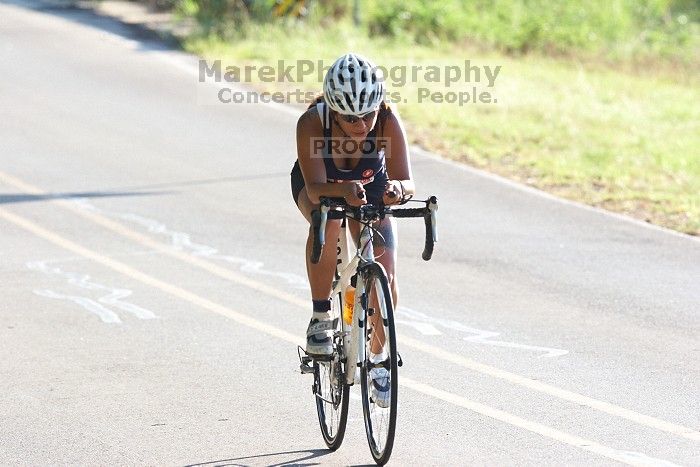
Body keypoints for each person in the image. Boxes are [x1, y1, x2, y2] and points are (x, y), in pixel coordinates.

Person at [291, 53, 414, 402]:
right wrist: (341, 191)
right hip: (321, 183)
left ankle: (378, 358)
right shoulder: (312, 123)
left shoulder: (387, 119)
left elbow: (407, 180)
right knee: (327, 219)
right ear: (333, 109)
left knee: (385, 274)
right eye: (349, 117)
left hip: (370, 183)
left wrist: (397, 190)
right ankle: (320, 317)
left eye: (367, 114)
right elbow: (314, 189)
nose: (361, 124)